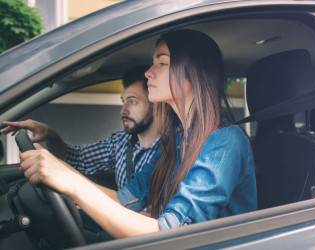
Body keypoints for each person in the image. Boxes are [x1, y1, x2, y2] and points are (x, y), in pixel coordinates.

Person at [17, 29, 257, 240]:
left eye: (161, 63)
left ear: (194, 73)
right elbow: (125, 199)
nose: (148, 73)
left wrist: (73, 184)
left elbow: (171, 236)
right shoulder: (176, 140)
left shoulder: (225, 141)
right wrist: (56, 168)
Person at [0, 65, 161, 191]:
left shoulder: (171, 150)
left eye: (132, 101)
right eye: (123, 101)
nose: (123, 110)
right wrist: (50, 134)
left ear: (156, 103)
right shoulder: (122, 142)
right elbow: (79, 159)